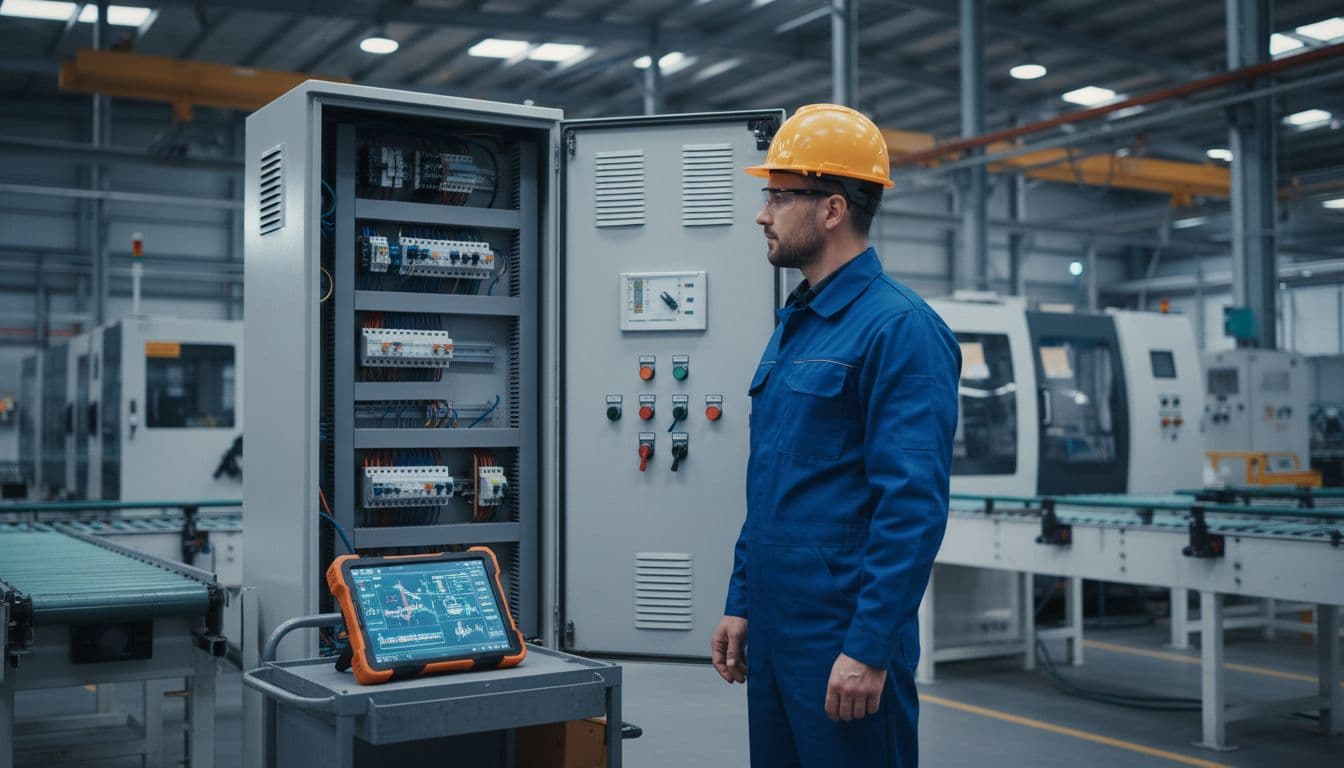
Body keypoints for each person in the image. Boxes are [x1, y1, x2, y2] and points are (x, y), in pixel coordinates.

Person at [711, 103, 960, 767]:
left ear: (832, 209)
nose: (763, 213)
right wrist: (742, 602)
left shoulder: (899, 330)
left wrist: (869, 645)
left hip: (840, 642)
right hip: (775, 632)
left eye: (778, 195)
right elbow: (771, 483)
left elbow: (911, 507)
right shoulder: (798, 325)